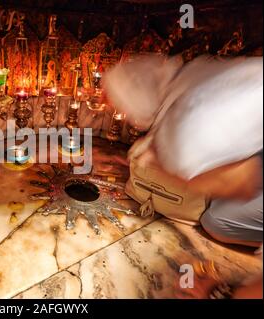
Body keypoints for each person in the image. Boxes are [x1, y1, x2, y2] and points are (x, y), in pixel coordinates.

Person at [103, 54, 263, 298]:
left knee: (219, 218)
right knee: (218, 220)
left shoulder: (190, 131)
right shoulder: (192, 82)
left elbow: (242, 183)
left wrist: (215, 292)